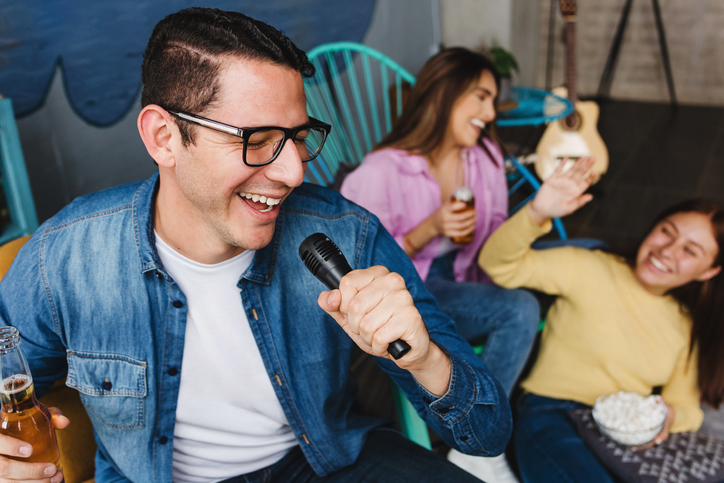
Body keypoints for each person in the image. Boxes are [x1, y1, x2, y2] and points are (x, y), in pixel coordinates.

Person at [0, 8, 513, 483]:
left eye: (299, 136)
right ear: (163, 137)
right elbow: (7, 376)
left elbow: (486, 435)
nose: (293, 172)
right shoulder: (64, 258)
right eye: (258, 139)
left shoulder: (345, 232)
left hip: (320, 461)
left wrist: (425, 359)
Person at [341, 47, 538, 482]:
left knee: (550, 278)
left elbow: (498, 231)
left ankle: (478, 431)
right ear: (445, 95)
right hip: (413, 288)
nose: (489, 112)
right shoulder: (380, 172)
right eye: (481, 97)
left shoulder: (483, 158)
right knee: (520, 309)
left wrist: (539, 212)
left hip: (469, 275)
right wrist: (428, 229)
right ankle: (476, 442)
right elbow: (359, 268)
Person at [479, 157, 724, 483]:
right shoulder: (589, 266)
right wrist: (536, 213)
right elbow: (498, 265)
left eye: (690, 251)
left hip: (622, 432)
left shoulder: (686, 326)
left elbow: (687, 406)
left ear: (708, 271)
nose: (667, 250)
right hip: (552, 414)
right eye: (667, 231)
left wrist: (668, 417)